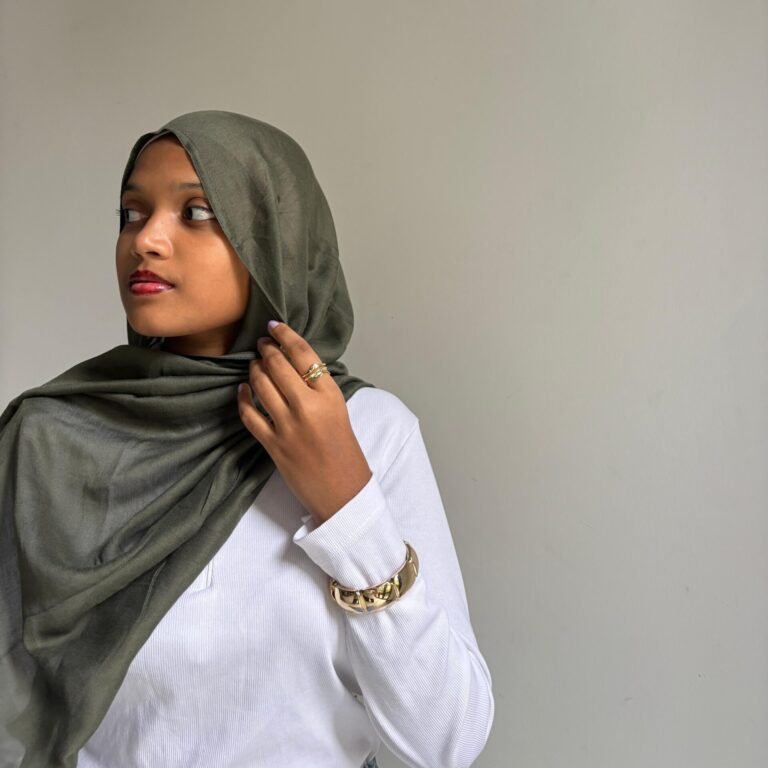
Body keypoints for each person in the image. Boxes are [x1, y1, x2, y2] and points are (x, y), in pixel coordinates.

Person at [0, 110, 494, 768]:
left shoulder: (371, 431)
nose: (145, 240)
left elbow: (446, 740)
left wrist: (348, 508)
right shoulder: (52, 436)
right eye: (131, 213)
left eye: (196, 213)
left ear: (274, 238)